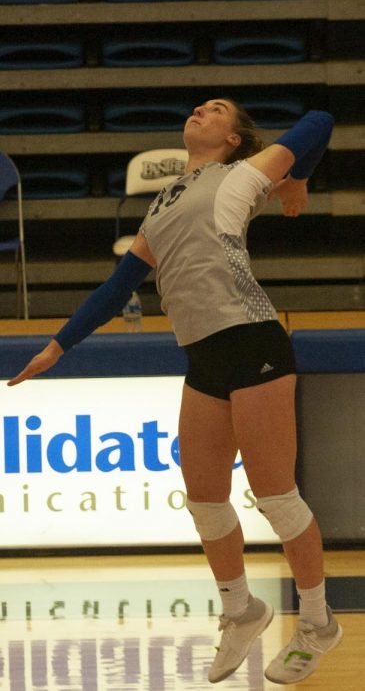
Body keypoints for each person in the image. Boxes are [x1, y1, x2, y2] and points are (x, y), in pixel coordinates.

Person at [8, 99, 343, 685]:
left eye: (215, 109)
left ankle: (317, 622)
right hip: (205, 358)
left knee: (276, 497)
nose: (199, 109)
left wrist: (296, 181)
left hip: (252, 339)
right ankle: (241, 610)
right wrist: (59, 346)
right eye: (198, 104)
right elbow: (117, 288)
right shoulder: (160, 207)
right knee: (205, 501)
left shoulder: (246, 173)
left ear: (236, 138)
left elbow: (319, 122)